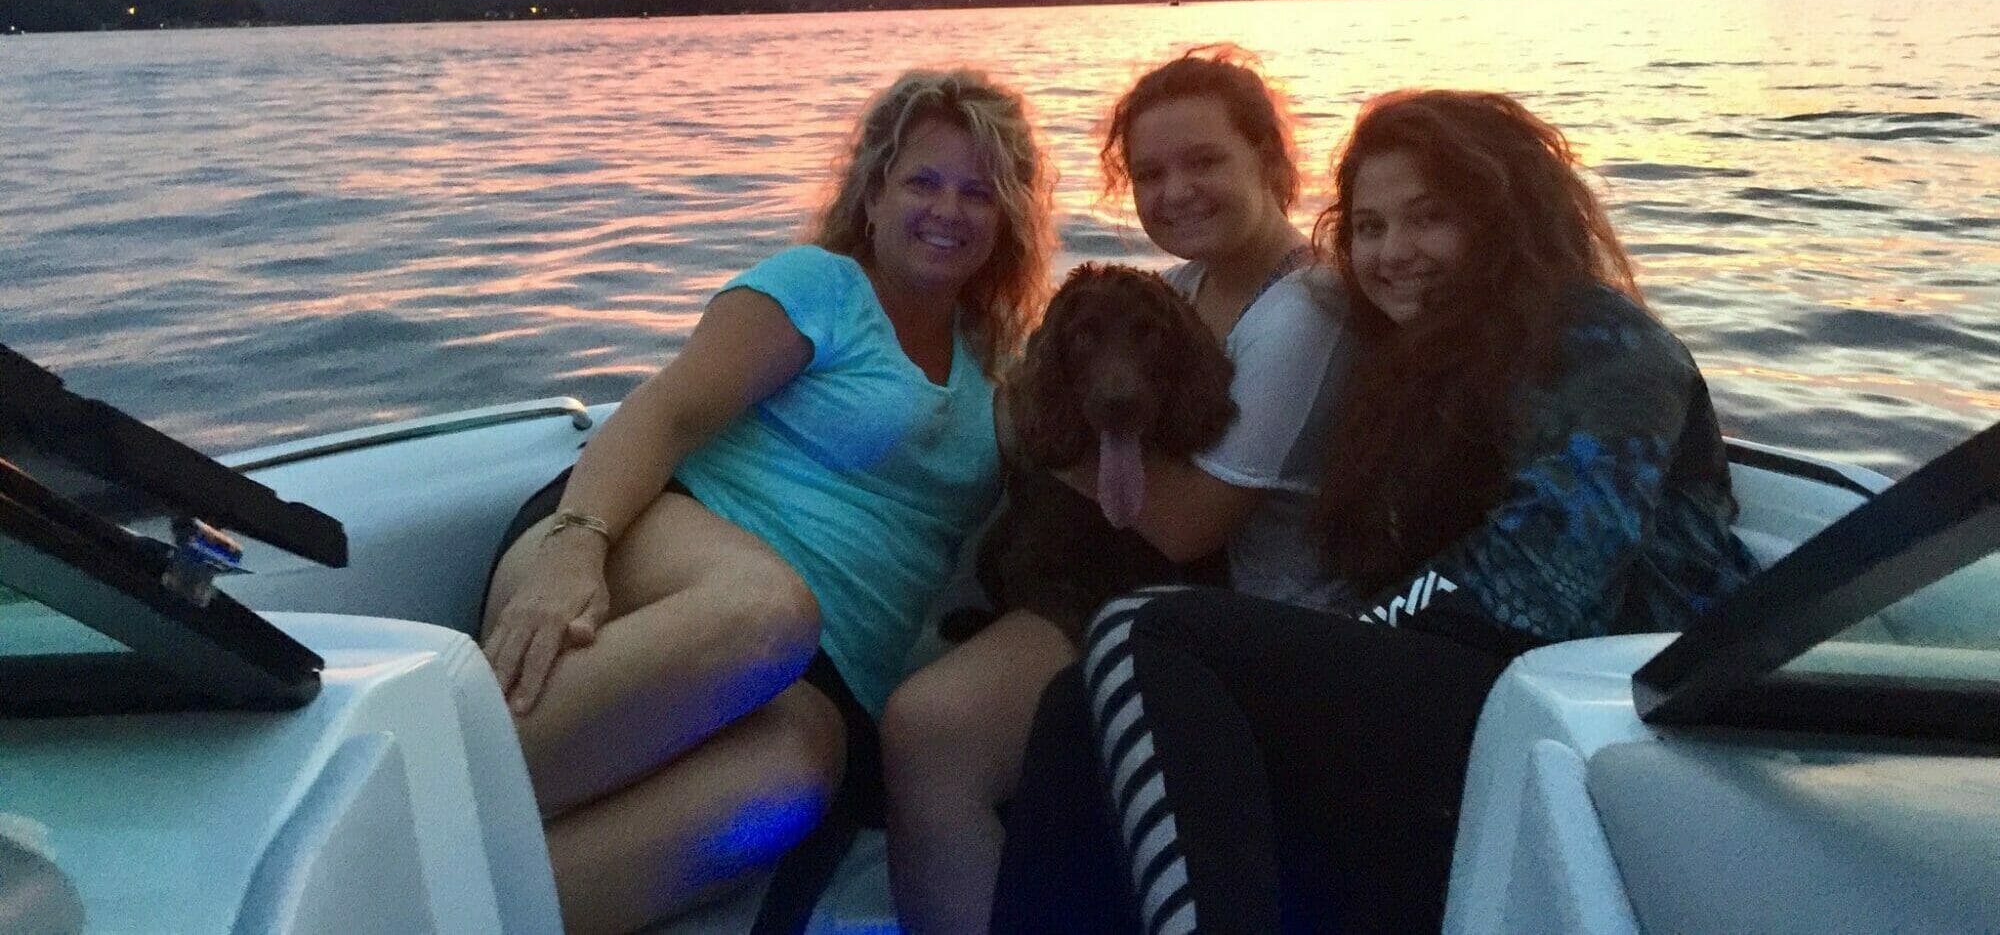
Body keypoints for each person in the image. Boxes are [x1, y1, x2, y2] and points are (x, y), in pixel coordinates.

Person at [988, 89, 1763, 934]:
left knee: (1149, 634)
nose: (1396, 252)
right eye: (1370, 227)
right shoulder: (1417, 367)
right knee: (1078, 707)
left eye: (1430, 218)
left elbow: (1544, 586)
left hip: (1601, 699)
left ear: (1507, 215)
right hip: (1471, 681)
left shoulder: (1602, 348)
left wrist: (1355, 637)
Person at [478, 68, 1056, 934]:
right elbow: (665, 412)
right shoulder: (821, 286)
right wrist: (573, 549)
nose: (950, 209)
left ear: (1007, 218)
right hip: (646, 534)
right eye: (923, 182)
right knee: (767, 609)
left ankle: (430, 908)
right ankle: (398, 801)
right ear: (872, 194)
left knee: (794, 778)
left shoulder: (1000, 364)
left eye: (979, 192)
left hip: (818, 675)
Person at [881, 47, 1352, 934]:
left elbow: (1178, 525)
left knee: (927, 728)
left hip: (1269, 621)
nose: (1176, 191)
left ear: (1272, 160)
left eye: (1205, 161)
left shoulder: (1305, 312)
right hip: (1154, 592)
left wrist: (1035, 415)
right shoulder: (1185, 289)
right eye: (1150, 172)